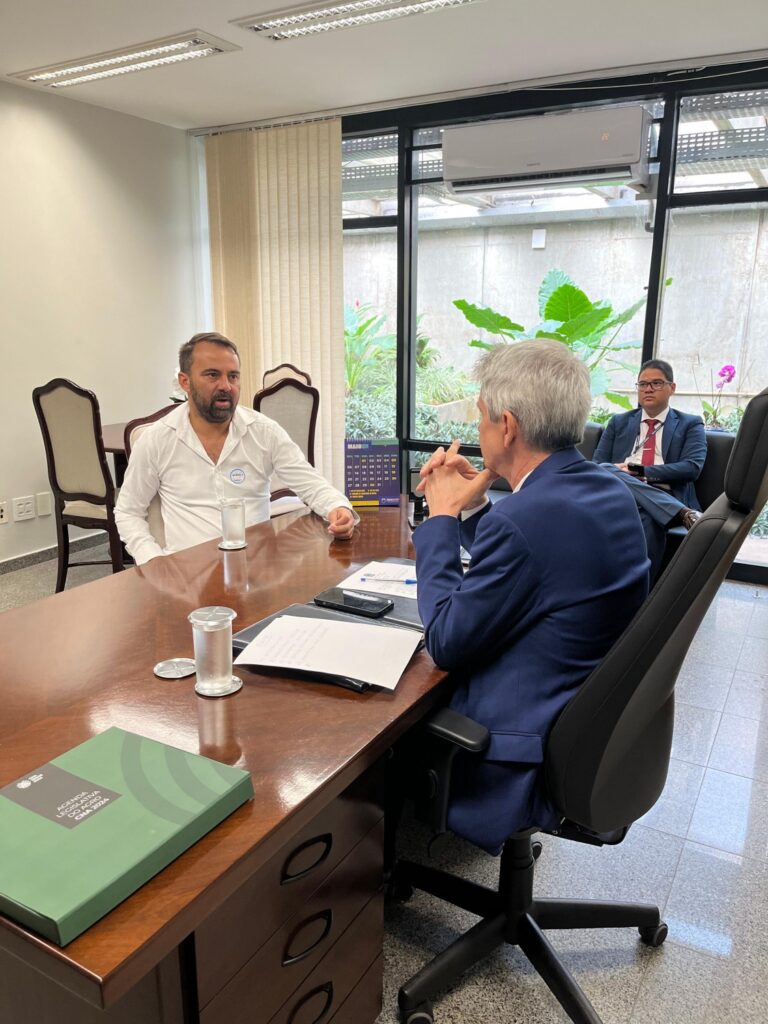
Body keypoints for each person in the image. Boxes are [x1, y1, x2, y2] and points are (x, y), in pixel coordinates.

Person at [411, 340, 650, 854]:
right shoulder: (607, 488)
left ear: (508, 426)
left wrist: (441, 519)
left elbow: (447, 641)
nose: (477, 431)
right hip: (586, 723)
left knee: (382, 715)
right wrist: (473, 510)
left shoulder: (527, 520)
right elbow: (532, 566)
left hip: (518, 745)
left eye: (481, 417)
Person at [116, 332, 357, 565]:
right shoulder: (157, 439)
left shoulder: (264, 431)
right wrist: (153, 560)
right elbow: (128, 512)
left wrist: (338, 508)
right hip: (188, 579)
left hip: (256, 572)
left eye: (233, 376)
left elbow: (311, 483)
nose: (226, 386)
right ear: (185, 381)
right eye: (212, 375)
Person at [592, 359, 707, 577]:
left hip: (665, 490)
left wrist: (639, 472)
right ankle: (681, 513)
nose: (648, 389)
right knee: (607, 468)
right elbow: (598, 465)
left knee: (650, 516)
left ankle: (640, 593)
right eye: (643, 384)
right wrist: (625, 474)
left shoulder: (690, 423)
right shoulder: (619, 422)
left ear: (672, 388)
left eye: (656, 383)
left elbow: (692, 467)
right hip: (620, 489)